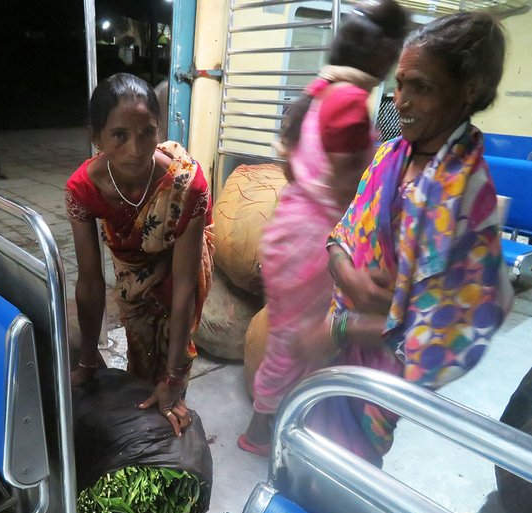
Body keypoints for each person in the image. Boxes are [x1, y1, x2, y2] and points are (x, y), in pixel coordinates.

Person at [313, 11, 514, 467]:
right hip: (338, 350)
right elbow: (341, 234)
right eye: (400, 83)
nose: (400, 100)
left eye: (420, 87)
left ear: (469, 90)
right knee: (315, 449)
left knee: (349, 468)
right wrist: (348, 276)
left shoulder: (466, 195)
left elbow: (449, 327)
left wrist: (341, 327)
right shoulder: (389, 156)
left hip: (377, 379)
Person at [238, 0, 411, 456]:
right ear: (382, 57)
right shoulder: (352, 103)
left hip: (288, 228)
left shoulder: (317, 93)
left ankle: (284, 422)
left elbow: (294, 164)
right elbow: (352, 187)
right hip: (314, 243)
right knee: (298, 343)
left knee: (289, 337)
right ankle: (263, 432)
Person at [65, 73, 214, 437]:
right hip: (132, 275)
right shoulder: (83, 189)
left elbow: (182, 288)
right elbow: (89, 280)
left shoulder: (186, 186)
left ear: (158, 129)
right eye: (119, 135)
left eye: (147, 132)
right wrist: (87, 359)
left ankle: (172, 397)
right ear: (96, 137)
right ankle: (147, 408)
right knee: (141, 354)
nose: (136, 148)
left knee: (172, 365)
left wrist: (175, 374)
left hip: (180, 266)